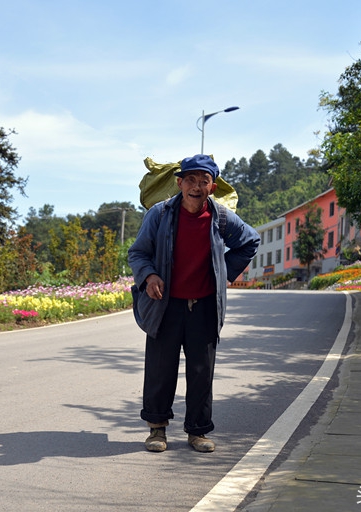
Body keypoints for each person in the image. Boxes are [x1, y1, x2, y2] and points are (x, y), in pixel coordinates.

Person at [127, 154, 260, 453]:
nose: (196, 187)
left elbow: (250, 241)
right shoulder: (159, 214)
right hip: (166, 306)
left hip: (203, 307)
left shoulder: (221, 217)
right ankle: (157, 430)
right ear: (179, 183)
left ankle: (197, 432)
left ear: (212, 188)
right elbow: (138, 253)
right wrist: (149, 277)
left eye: (204, 181)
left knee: (202, 372)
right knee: (160, 370)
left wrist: (223, 271)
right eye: (190, 180)